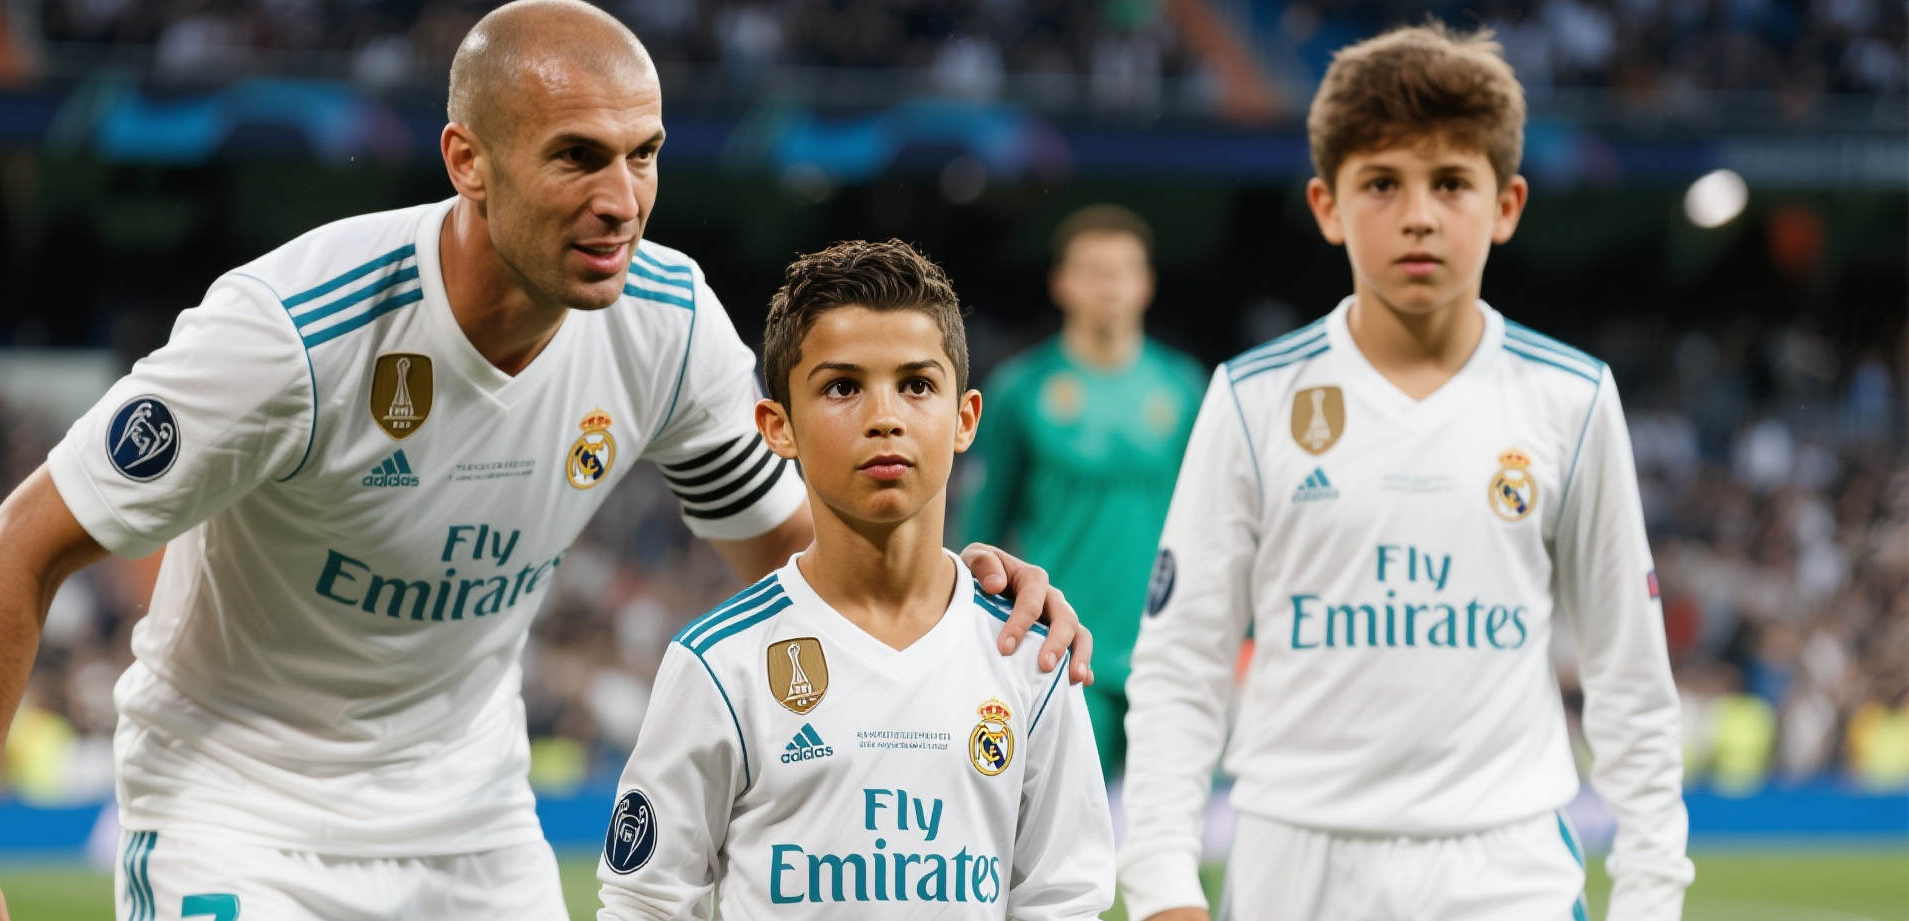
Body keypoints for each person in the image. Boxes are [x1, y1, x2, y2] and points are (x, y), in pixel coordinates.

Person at [0, 5, 1089, 920]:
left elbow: (799, 560)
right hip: (240, 815)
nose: (621, 200)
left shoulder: (665, 321)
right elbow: (16, 550)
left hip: (474, 827)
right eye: (577, 157)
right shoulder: (293, 335)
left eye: (643, 156)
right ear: (467, 159)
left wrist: (954, 597)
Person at [1118, 22, 1693, 921]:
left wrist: (1651, 897)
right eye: (1382, 183)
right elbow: (1181, 662)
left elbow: (1630, 678)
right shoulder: (1254, 397)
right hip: (1293, 866)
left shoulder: (1571, 398)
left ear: (1506, 205)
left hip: (1508, 871)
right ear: (1327, 205)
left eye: (1452, 182)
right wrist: (1159, 884)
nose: (1419, 214)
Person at [597, 239, 1114, 919]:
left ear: (965, 419)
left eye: (917, 385)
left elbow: (1064, 900)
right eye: (843, 387)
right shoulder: (720, 663)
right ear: (778, 426)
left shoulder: (1029, 656)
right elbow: (645, 903)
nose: (885, 418)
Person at [959, 204, 1206, 778]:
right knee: (1069, 828)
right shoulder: (1020, 391)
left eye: (1122, 271)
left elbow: (1215, 528)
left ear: (1146, 283)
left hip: (1166, 657)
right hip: (1058, 650)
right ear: (1061, 283)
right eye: (1093, 271)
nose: (1108, 285)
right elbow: (982, 534)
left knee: (1166, 828)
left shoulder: (1185, 389)